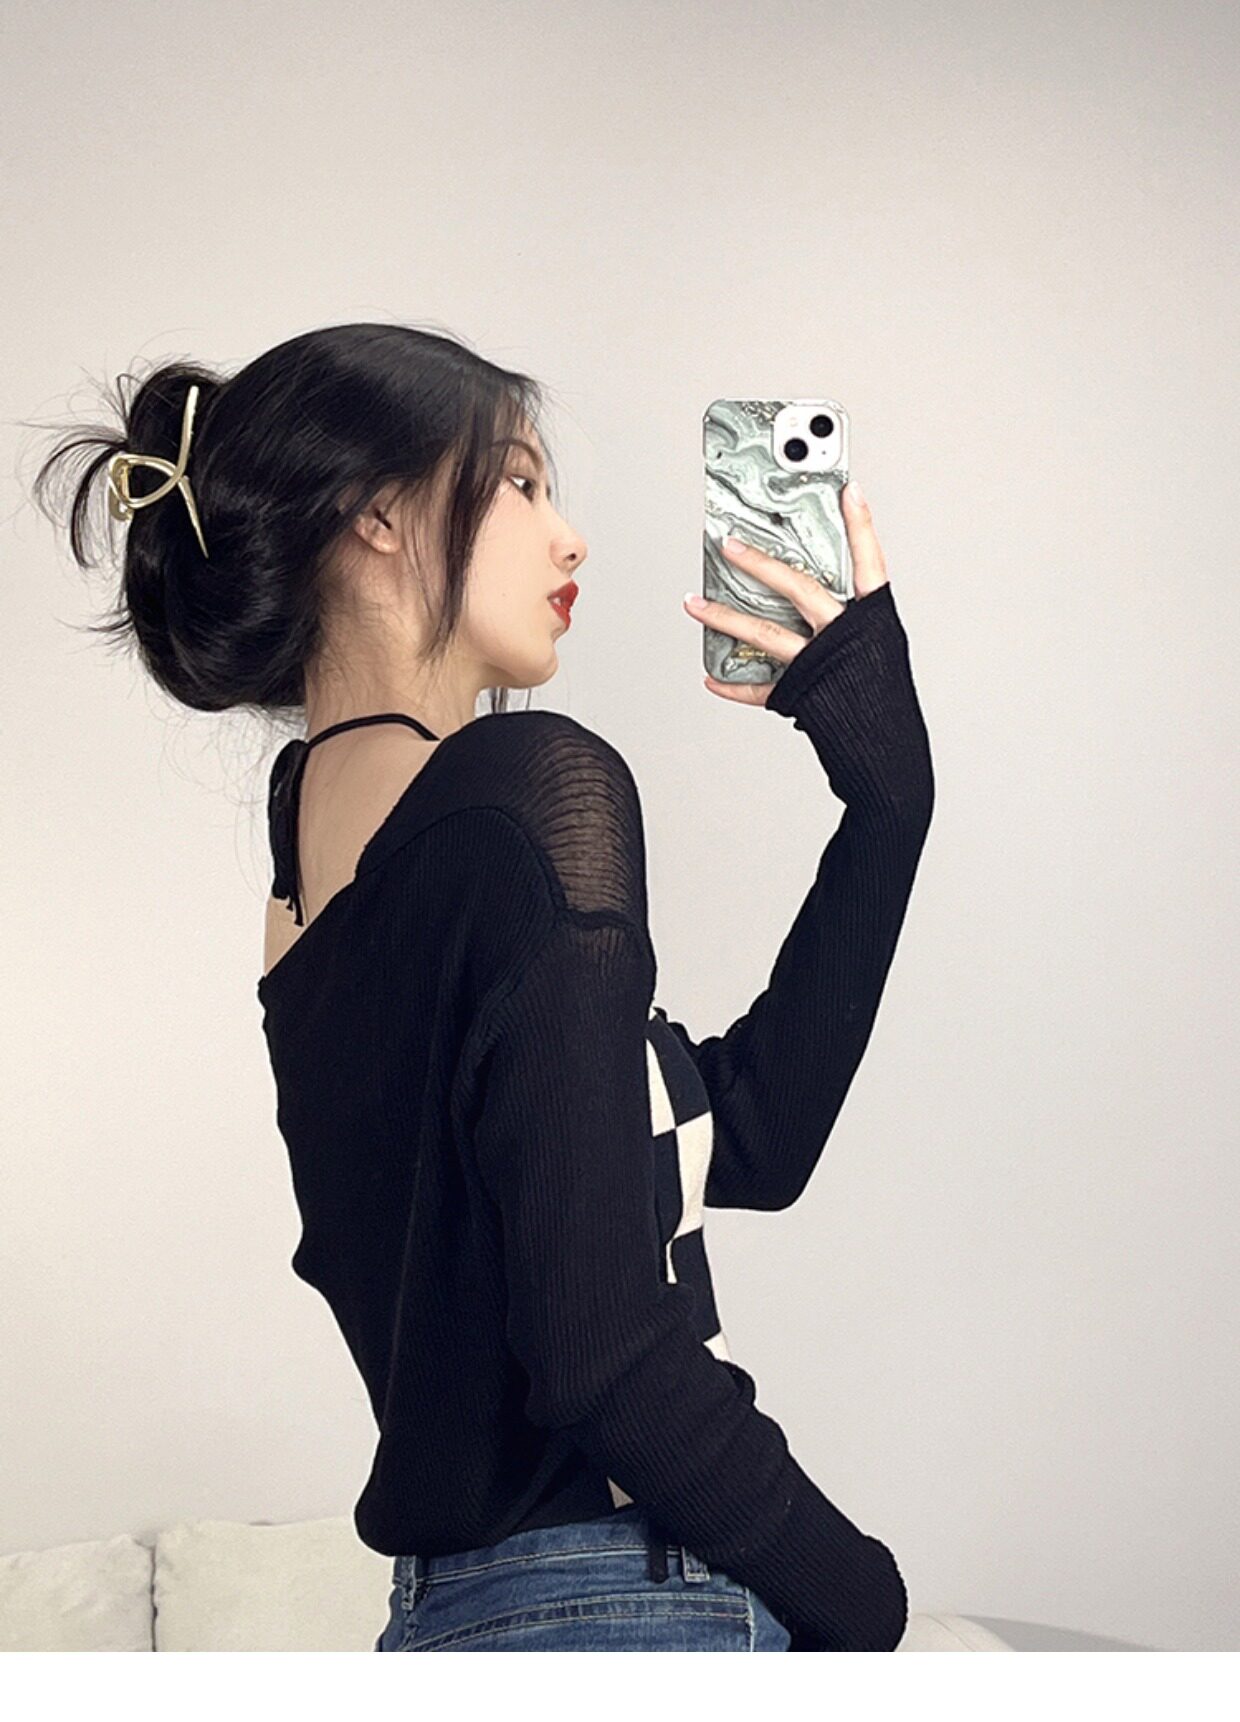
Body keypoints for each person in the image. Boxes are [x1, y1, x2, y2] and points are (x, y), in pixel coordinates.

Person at [31, 321, 934, 1650]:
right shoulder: (531, 797)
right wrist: (869, 1604)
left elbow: (744, 1138)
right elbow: (606, 1358)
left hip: (452, 1620)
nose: (569, 538)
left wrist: (886, 810)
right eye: (519, 481)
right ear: (378, 512)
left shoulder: (304, 886)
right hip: (622, 1608)